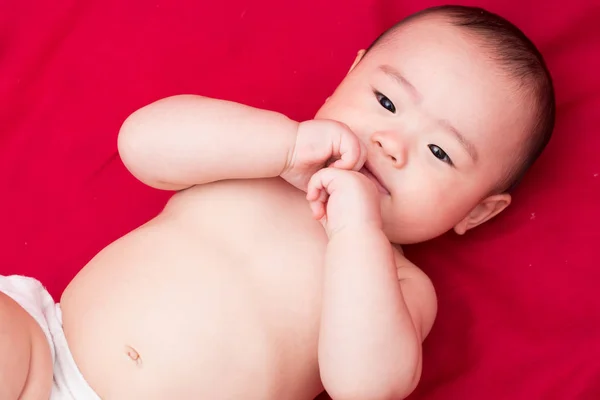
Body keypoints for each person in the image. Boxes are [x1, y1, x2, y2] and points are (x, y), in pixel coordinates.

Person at [0, 5, 554, 400]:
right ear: (348, 74)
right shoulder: (256, 159)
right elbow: (139, 143)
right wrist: (284, 145)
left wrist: (357, 234)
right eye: (385, 101)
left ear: (477, 211)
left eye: (439, 151)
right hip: (44, 350)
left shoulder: (402, 286)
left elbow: (367, 385)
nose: (391, 143)